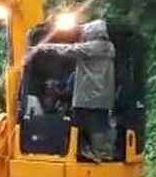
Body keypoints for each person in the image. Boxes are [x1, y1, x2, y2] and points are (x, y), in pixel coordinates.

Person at [31, 19, 116, 161]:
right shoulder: (108, 47)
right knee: (100, 123)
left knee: (84, 122)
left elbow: (70, 49)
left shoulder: (94, 47)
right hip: (102, 96)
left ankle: (97, 152)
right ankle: (103, 151)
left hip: (90, 95)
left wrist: (43, 47)